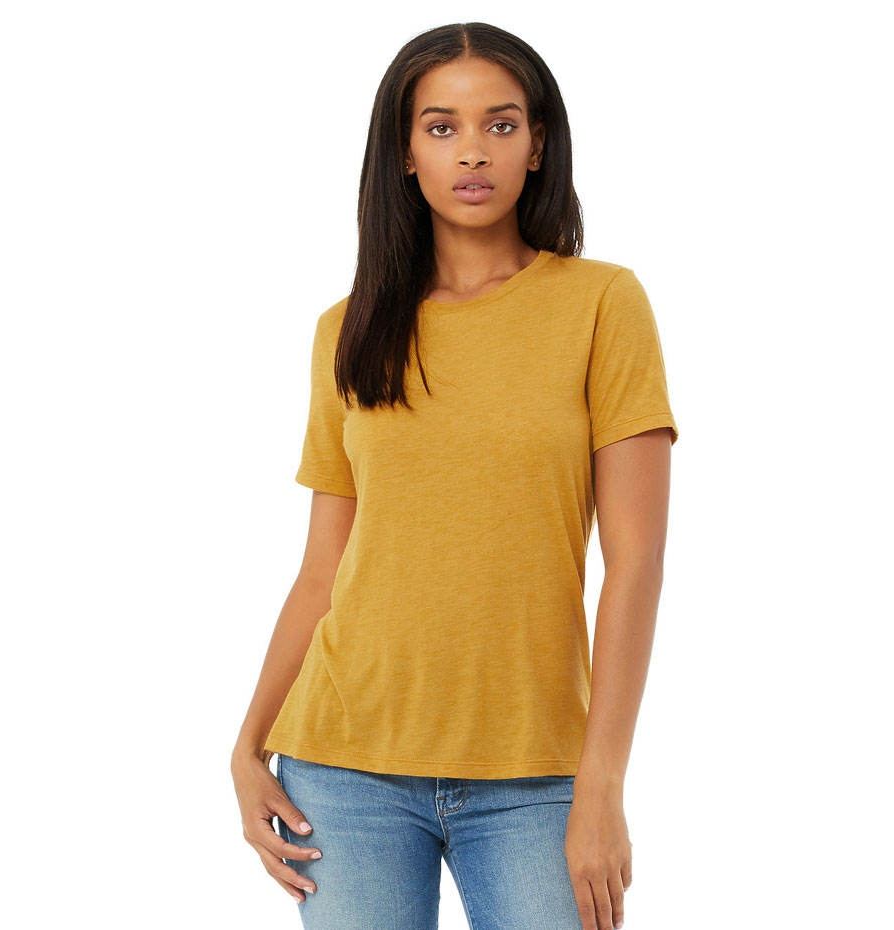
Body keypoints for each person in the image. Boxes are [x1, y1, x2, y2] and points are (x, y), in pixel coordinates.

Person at [231, 21, 679, 930]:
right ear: (405, 152)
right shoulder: (348, 329)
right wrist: (247, 745)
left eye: (500, 125)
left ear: (537, 143)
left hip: (537, 775)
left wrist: (602, 782)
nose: (472, 151)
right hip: (343, 768)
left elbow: (635, 564)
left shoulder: (601, 303)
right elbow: (324, 569)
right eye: (441, 127)